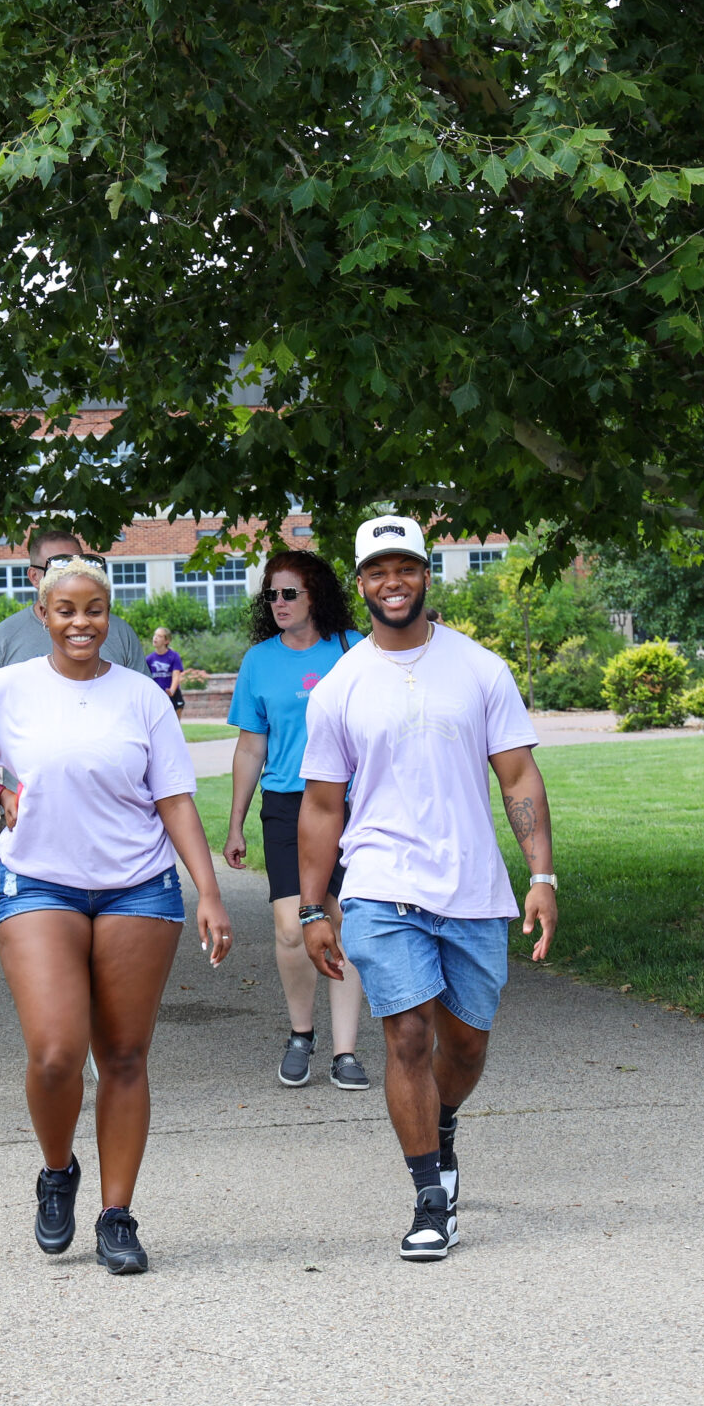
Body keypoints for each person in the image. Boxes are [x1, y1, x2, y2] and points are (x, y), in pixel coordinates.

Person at [0, 556, 233, 1275]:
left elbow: (175, 798)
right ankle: (58, 1172)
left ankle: (118, 1215)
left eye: (94, 610)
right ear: (43, 614)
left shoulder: (141, 696)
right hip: (40, 882)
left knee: (122, 1055)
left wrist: (207, 890)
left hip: (138, 886)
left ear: (108, 615)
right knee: (55, 1053)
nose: (81, 622)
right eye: (66, 610)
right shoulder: (6, 688)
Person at [297, 518, 558, 1262]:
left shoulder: (480, 669)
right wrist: (316, 906)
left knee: (466, 1045)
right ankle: (428, 1197)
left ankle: (441, 1124)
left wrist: (541, 874)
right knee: (407, 1035)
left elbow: (518, 777)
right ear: (361, 583)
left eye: (405, 566)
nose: (393, 581)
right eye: (378, 570)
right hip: (381, 883)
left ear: (424, 574)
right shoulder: (341, 687)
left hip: (472, 888)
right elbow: (321, 805)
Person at [221, 550, 371, 1090]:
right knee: (292, 928)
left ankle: (346, 1052)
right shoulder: (259, 661)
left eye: (289, 594)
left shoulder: (355, 650)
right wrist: (236, 822)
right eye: (271, 595)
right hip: (287, 804)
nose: (278, 603)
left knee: (344, 922)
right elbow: (249, 748)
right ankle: (301, 1034)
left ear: (316, 596)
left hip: (352, 804)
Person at [0, 527, 146, 877]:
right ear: (34, 576)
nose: (71, 575)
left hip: (114, 818)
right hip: (27, 818)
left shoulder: (117, 634)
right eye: (57, 567)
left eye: (78, 564)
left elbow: (147, 729)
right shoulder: (2, 642)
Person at [144, 627, 187, 712]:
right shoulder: (149, 659)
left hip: (172, 694)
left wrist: (172, 691)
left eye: (159, 636)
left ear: (167, 641)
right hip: (156, 696)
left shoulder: (174, 656)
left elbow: (176, 676)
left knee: (175, 724)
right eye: (155, 635)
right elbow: (146, 679)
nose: (155, 638)